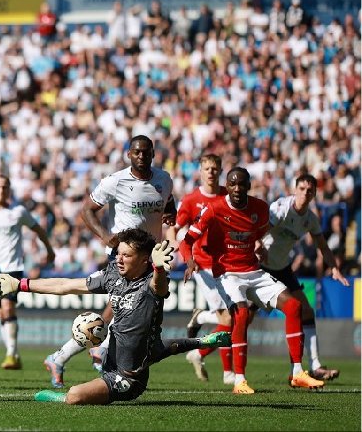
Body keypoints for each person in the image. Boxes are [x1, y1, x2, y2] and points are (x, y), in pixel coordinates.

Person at [0, 228, 231, 405]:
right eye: (118, 253)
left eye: (126, 255)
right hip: (118, 359)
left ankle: (61, 397)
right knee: (155, 348)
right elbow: (65, 285)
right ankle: (202, 342)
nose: (119, 258)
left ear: (144, 259)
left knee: (74, 396)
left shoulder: (151, 282)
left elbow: (159, 286)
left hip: (128, 379)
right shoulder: (112, 274)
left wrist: (159, 269)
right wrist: (21, 284)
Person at [43, 135, 176, 388]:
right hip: (124, 254)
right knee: (124, 307)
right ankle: (93, 351)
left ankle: (67, 356)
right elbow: (86, 210)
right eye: (136, 152)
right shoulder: (115, 181)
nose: (141, 156)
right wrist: (106, 236)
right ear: (129, 154)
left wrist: (170, 213)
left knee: (125, 309)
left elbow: (168, 202)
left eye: (146, 152)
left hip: (151, 257)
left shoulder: (163, 180)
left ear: (153, 154)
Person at [180, 167, 325, 394]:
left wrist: (258, 247)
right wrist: (189, 261)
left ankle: (297, 372)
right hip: (227, 273)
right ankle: (239, 380)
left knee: (294, 306)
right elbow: (187, 240)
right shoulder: (214, 208)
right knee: (241, 314)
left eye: (242, 184)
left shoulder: (260, 208)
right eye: (233, 184)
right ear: (226, 186)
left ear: (249, 186)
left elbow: (259, 232)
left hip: (253, 271)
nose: (237, 188)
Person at [260, 173, 350, 381]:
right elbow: (260, 231)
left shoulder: (310, 219)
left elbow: (323, 246)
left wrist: (334, 268)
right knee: (240, 317)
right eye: (302, 189)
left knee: (306, 312)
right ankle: (204, 327)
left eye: (310, 191)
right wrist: (256, 246)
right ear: (295, 189)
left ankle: (315, 366)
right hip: (261, 267)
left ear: (314, 194)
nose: (305, 193)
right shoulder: (281, 208)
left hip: (282, 268)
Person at [0, 174, 55, 369]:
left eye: (5, 187)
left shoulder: (18, 211)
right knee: (1, 313)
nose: (1, 190)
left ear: (9, 190)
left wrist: (49, 250)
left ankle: (10, 354)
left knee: (8, 308)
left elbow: (39, 230)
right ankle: (14, 354)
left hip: (12, 268)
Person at [166, 154, 233, 384]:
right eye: (207, 168)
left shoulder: (228, 195)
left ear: (220, 170)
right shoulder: (192, 199)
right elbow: (175, 228)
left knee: (239, 315)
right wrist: (179, 249)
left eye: (215, 168)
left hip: (229, 263)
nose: (211, 172)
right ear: (201, 171)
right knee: (228, 318)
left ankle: (201, 318)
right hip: (204, 263)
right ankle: (227, 372)